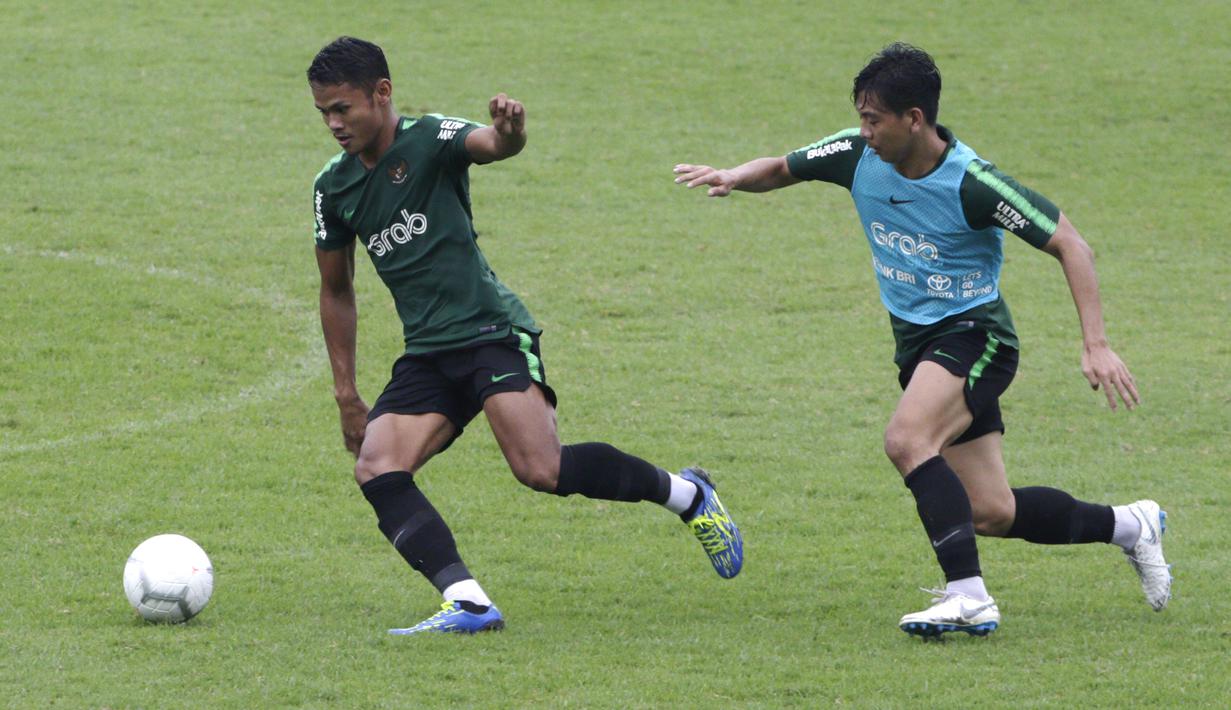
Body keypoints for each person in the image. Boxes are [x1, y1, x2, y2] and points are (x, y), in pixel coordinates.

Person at [674, 42, 1169, 638]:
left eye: (874, 118)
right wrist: (733, 176)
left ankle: (969, 597)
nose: (864, 130)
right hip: (919, 347)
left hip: (976, 337)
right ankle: (1130, 525)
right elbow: (782, 167)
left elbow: (1072, 245)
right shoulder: (858, 155)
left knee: (907, 439)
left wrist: (1095, 343)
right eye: (860, 116)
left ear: (915, 118)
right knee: (990, 510)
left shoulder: (974, 184)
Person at [307, 37, 743, 635]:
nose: (333, 123)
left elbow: (491, 145)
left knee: (541, 469)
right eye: (323, 112)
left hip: (491, 332)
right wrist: (345, 392)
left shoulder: (430, 140)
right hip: (428, 353)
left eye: (343, 108)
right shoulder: (333, 189)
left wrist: (509, 132)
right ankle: (467, 601)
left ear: (382, 94)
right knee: (377, 467)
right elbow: (336, 290)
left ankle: (688, 496)